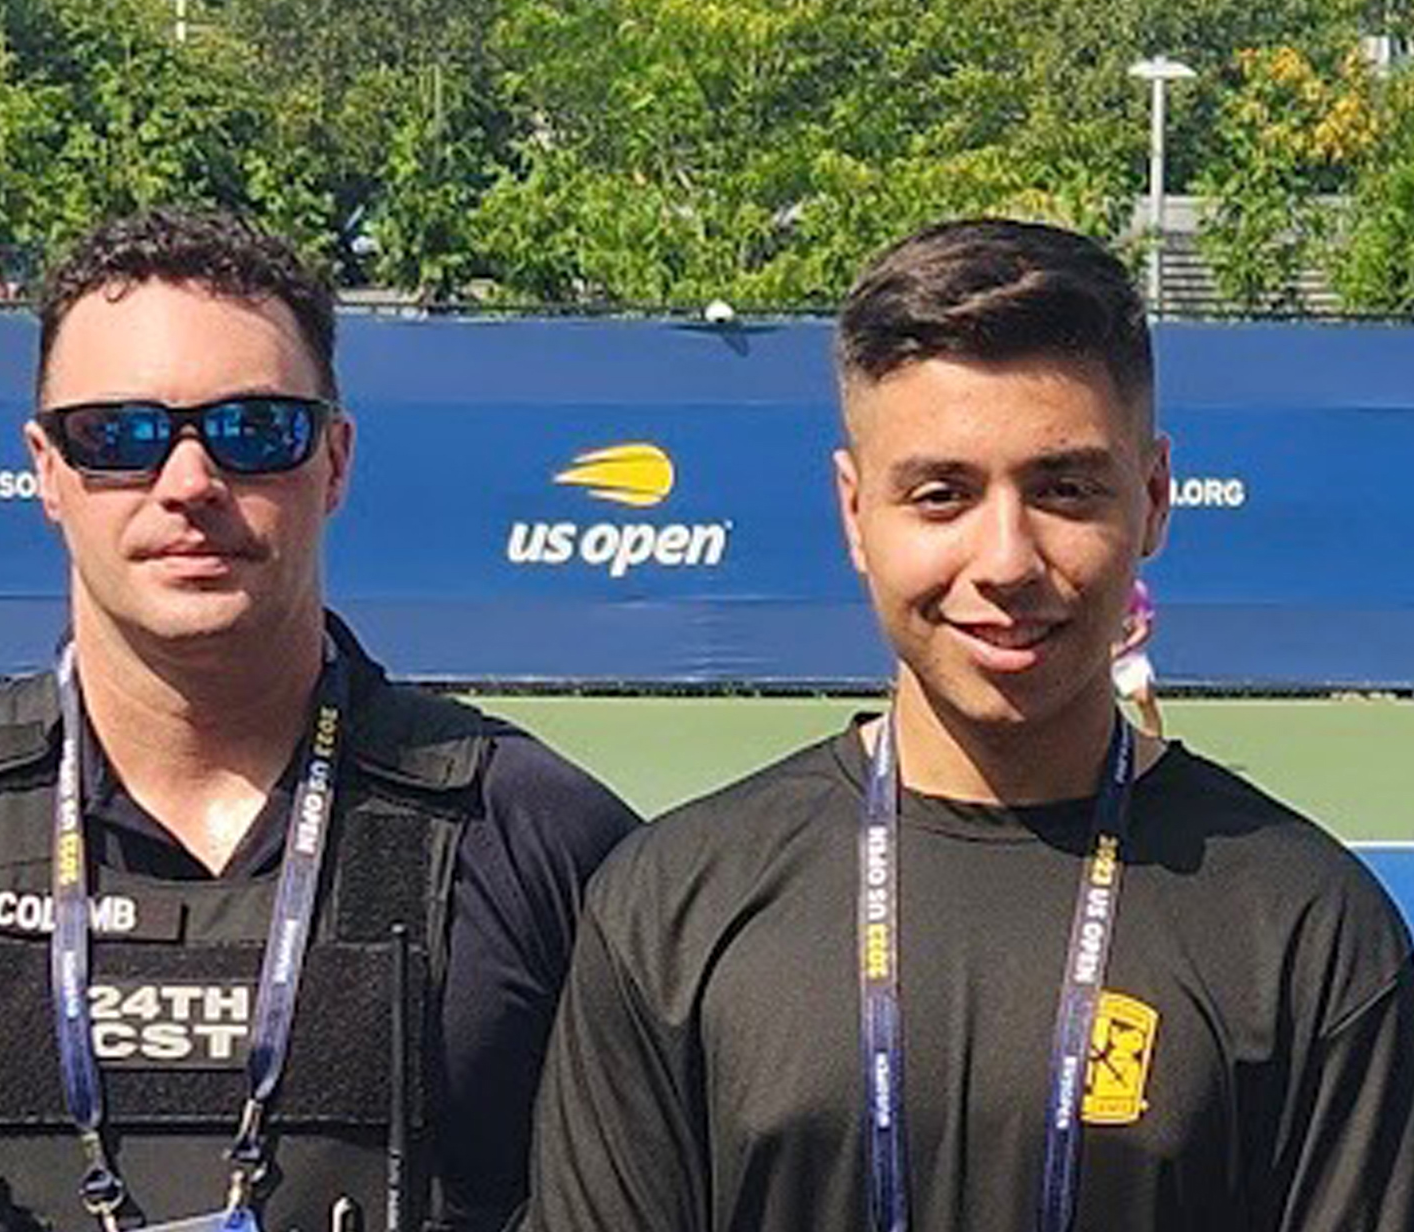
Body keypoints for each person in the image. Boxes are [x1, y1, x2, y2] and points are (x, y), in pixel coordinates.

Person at [0, 209, 638, 1232]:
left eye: (255, 431)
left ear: (334, 460)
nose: (189, 483)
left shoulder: (536, 838)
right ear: (46, 469)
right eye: (117, 436)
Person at [530, 218, 1413, 1230]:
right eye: (941, 494)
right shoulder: (669, 908)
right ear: (855, 513)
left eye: (1064, 489)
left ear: (1154, 498)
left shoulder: (1309, 933)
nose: (1005, 560)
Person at [1112, 578, 1162, 739]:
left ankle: (1155, 740)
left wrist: (1123, 648)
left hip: (1127, 656)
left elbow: (1143, 629)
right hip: (1094, 658)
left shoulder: (1136, 589)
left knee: (1144, 697)